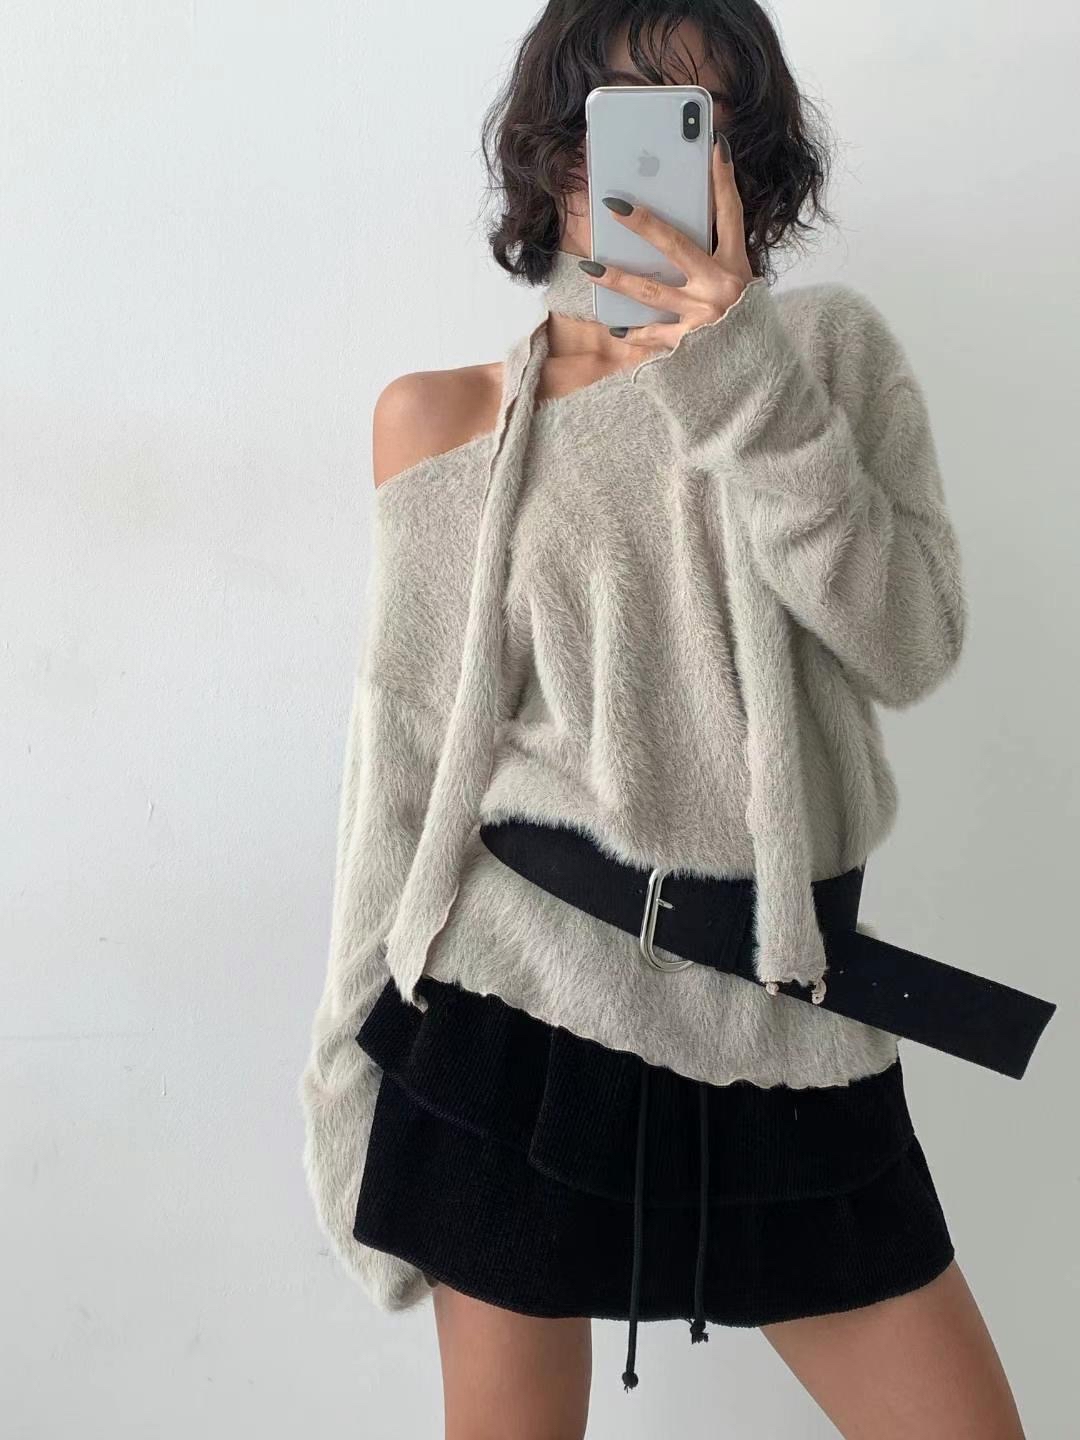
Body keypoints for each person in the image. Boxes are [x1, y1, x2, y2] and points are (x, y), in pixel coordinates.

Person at [299, 4, 1028, 1436]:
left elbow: (909, 642)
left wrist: (738, 376)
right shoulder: (443, 422)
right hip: (515, 1014)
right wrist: (342, 1067)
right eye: (610, 116)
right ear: (550, 148)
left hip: (780, 1011)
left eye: (693, 123)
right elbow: (403, 767)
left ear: (744, 161)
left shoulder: (825, 359)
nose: (638, 164)